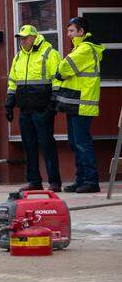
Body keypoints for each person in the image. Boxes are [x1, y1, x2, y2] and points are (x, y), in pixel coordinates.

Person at [4, 24, 62, 192]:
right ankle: (34, 181)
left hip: (43, 108)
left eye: (25, 38)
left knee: (47, 145)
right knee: (29, 145)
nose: (22, 41)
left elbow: (57, 80)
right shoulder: (18, 57)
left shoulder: (50, 53)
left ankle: (54, 182)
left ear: (35, 37)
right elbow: (13, 82)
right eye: (20, 38)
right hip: (25, 109)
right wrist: (9, 103)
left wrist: (53, 103)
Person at [54, 16, 104, 193]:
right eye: (68, 31)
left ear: (82, 31)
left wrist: (61, 72)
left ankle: (90, 181)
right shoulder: (81, 48)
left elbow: (63, 68)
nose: (68, 35)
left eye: (71, 31)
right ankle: (81, 179)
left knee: (82, 143)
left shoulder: (85, 49)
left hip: (82, 104)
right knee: (76, 143)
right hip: (75, 102)